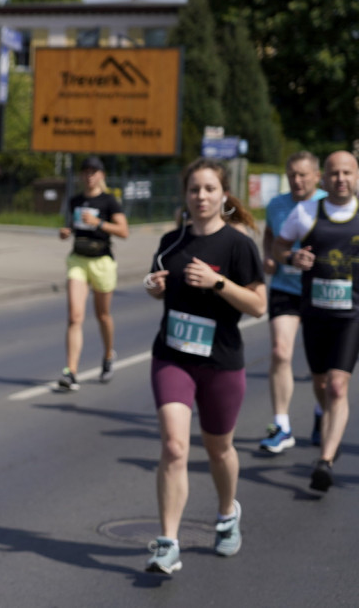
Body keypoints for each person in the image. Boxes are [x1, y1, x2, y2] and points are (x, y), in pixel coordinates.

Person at [142, 158, 266, 574]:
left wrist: (218, 283)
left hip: (221, 361)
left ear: (223, 194)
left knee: (219, 450)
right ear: (186, 195)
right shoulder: (171, 241)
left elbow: (259, 305)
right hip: (172, 356)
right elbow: (157, 285)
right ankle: (167, 542)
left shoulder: (238, 245)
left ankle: (227, 512)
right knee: (175, 446)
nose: (201, 197)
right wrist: (154, 288)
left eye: (209, 189)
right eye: (194, 189)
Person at [273, 150, 359, 492]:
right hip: (315, 313)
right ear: (324, 178)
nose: (341, 179)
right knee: (322, 384)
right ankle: (326, 420)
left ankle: (324, 460)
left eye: (348, 172)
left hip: (352, 315)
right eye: (334, 173)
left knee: (339, 385)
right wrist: (293, 256)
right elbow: (278, 248)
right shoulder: (306, 212)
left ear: (357, 177)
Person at [259, 152, 326, 453]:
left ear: (316, 175)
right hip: (285, 287)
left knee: (321, 372)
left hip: (321, 291)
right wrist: (269, 256)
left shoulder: (330, 202)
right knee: (280, 352)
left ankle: (323, 412)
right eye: (291, 175)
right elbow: (270, 235)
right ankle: (282, 425)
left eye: (302, 175)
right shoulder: (277, 204)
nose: (296, 181)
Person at [57, 156, 129, 391]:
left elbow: (123, 231)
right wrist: (66, 232)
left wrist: (99, 223)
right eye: (85, 172)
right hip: (78, 259)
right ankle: (71, 372)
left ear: (101, 175)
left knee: (102, 315)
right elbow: (72, 226)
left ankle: (108, 355)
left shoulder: (109, 201)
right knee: (75, 316)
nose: (89, 176)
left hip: (102, 261)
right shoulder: (75, 200)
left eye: (93, 172)